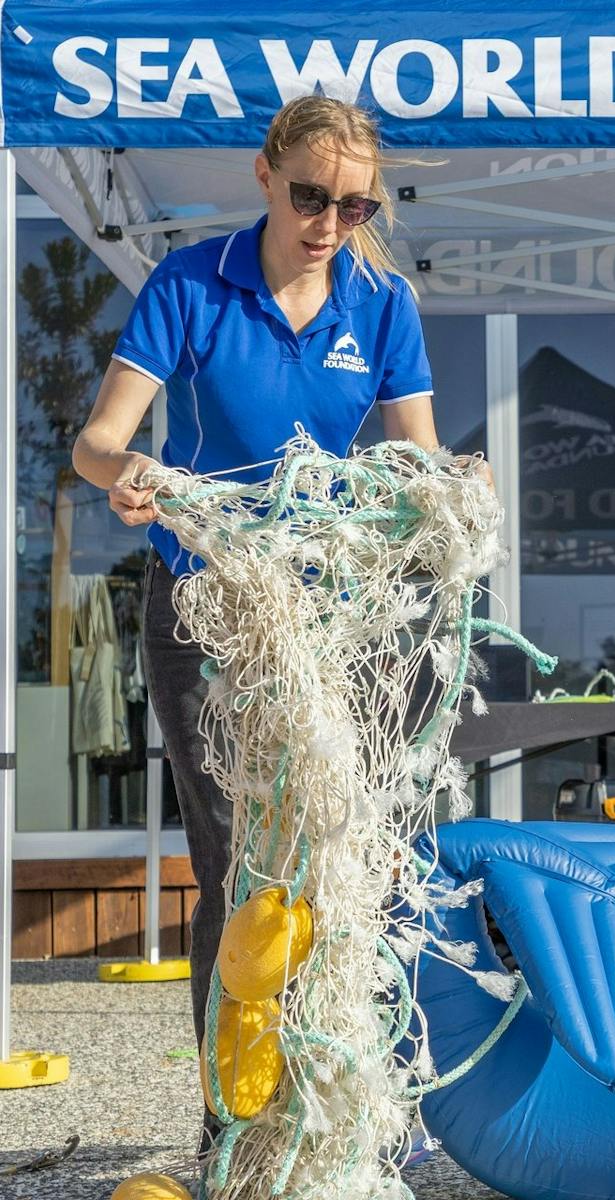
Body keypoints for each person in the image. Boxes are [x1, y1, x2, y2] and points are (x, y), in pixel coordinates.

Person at [71, 96, 469, 1156]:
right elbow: (97, 443)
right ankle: (233, 1125)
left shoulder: (381, 303)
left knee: (326, 853)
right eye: (309, 195)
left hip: (325, 618)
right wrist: (133, 475)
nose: (329, 220)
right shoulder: (191, 284)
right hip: (202, 605)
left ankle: (325, 1095)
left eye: (354, 202)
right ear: (263, 176)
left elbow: (415, 460)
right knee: (240, 860)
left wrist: (451, 492)